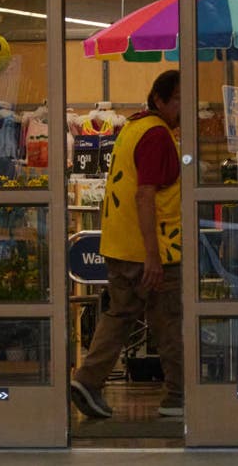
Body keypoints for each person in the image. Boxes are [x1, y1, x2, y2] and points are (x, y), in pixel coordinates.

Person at [70, 70, 184, 418]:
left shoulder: (134, 128)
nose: (184, 107)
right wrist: (153, 255)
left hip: (119, 243)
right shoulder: (156, 135)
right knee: (169, 320)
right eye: (179, 99)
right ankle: (179, 397)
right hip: (153, 247)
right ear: (161, 100)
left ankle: (88, 381)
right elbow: (145, 195)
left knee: (120, 315)